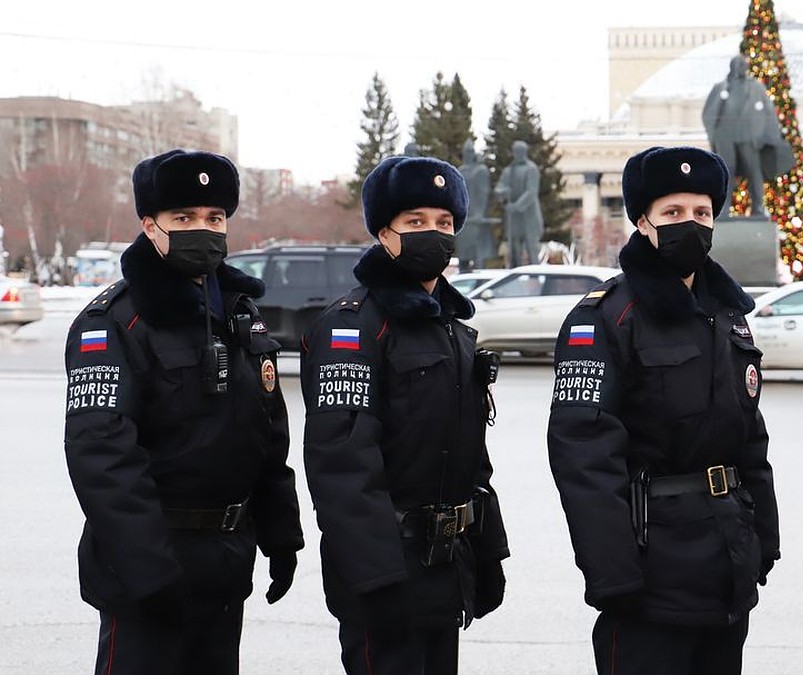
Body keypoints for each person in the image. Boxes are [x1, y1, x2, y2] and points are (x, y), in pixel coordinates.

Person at [63, 149, 304, 674]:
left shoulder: (239, 313)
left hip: (225, 561)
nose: (204, 228)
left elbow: (266, 432)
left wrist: (280, 532)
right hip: (149, 567)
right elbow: (101, 457)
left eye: (214, 218)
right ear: (150, 226)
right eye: (184, 218)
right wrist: (149, 571)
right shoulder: (115, 323)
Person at [547, 145, 780, 675]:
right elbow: (583, 454)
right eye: (673, 213)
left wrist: (764, 536)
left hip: (726, 563)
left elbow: (750, 438)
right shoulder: (605, 318)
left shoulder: (727, 315)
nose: (690, 225)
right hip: (650, 571)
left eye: (701, 213)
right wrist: (612, 573)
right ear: (642, 221)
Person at [301, 156, 510, 675]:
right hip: (387, 574)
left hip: (445, 568)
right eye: (415, 222)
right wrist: (377, 578)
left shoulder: (455, 330)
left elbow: (469, 458)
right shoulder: (352, 329)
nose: (433, 235)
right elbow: (342, 464)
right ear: (383, 233)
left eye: (444, 224)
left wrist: (485, 553)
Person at [701, 54, 795, 217]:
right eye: (736, 64)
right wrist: (714, 135)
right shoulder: (721, 87)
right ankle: (723, 208)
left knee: (754, 172)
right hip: (726, 137)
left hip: (749, 137)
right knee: (726, 172)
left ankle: (758, 207)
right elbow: (708, 113)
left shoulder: (756, 87)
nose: (739, 67)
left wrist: (766, 135)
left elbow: (768, 112)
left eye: (742, 64)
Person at [494, 140, 543, 267]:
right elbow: (499, 187)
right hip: (514, 219)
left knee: (531, 248)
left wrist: (515, 206)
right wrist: (502, 193)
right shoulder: (508, 170)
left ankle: (536, 276)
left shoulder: (531, 169)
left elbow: (531, 192)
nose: (518, 154)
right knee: (515, 251)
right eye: (516, 152)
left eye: (520, 152)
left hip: (528, 216)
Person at [456, 139, 496, 272]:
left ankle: (480, 286)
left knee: (479, 257)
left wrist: (479, 213)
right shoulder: (461, 170)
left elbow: (484, 193)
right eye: (466, 152)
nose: (468, 154)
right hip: (464, 219)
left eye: (470, 151)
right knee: (463, 257)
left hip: (477, 219)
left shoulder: (481, 170)